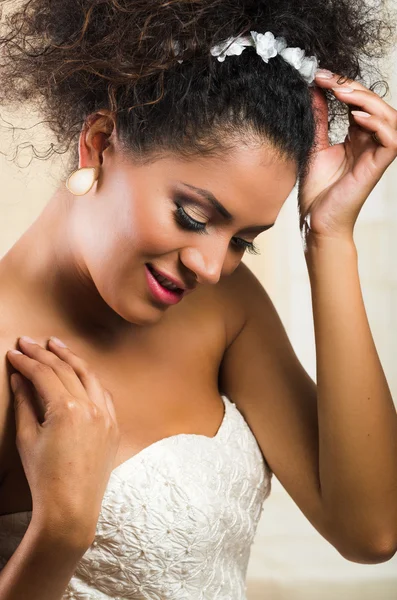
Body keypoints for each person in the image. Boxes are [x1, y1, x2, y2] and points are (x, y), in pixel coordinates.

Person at [0, 0, 396, 598]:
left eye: (243, 241)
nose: (211, 267)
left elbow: (370, 531)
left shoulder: (221, 307)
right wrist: (60, 532)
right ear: (101, 141)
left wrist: (330, 236)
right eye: (192, 215)